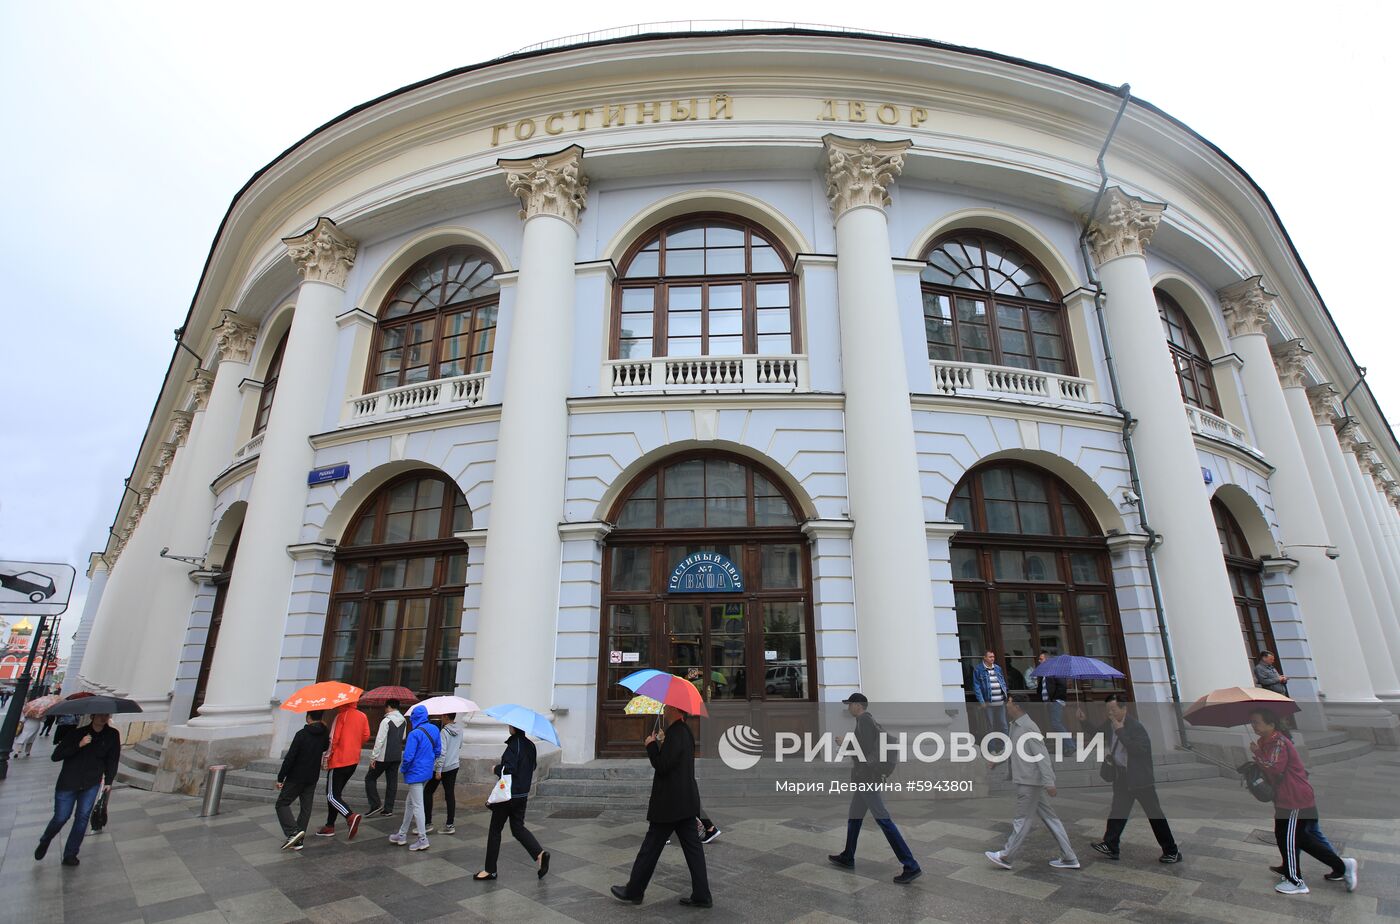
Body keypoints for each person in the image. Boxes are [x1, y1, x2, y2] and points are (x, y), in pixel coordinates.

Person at [611, 705, 713, 907]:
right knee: (693, 851)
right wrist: (662, 742)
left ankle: (634, 891)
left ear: (677, 710)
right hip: (685, 801)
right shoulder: (682, 732)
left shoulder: (676, 733)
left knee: (650, 848)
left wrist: (650, 745)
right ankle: (702, 895)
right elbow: (674, 760)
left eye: (667, 708)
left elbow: (663, 765)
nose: (664, 711)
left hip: (670, 804)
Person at [1249, 708, 1357, 895]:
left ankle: (1296, 881)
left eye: (1257, 722)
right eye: (1252, 722)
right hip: (1285, 798)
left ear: (1271, 724)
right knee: (1297, 838)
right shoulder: (1265, 741)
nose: (1253, 726)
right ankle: (1341, 865)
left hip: (1295, 799)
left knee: (1290, 839)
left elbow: (1274, 768)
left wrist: (1257, 754)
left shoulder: (1278, 742)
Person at [827, 692, 922, 884]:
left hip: (868, 779)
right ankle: (848, 855)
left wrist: (844, 744)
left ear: (858, 705)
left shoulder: (865, 721)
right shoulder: (865, 721)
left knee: (884, 821)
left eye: (850, 704)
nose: (848, 708)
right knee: (854, 817)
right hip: (864, 778)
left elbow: (865, 752)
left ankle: (911, 865)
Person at [984, 696, 1079, 871]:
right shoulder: (1016, 725)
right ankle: (1069, 857)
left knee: (1022, 821)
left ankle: (1006, 856)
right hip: (1028, 780)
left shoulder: (1029, 727)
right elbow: (1010, 747)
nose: (1007, 705)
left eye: (1010, 702)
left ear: (1017, 706)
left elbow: (1041, 757)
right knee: (1051, 820)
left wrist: (1049, 781)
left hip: (1029, 781)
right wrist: (996, 760)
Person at [1090, 694, 1180, 863]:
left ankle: (1171, 850)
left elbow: (1139, 749)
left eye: (1113, 710)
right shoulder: (1110, 725)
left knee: (1154, 815)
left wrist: (1120, 731)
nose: (1110, 714)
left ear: (1124, 708)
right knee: (1118, 811)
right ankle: (1111, 845)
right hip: (1122, 777)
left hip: (1140, 779)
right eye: (1108, 710)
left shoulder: (1135, 727)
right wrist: (1082, 720)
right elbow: (1095, 734)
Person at [34, 711, 120, 866]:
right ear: (92, 716)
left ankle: (70, 854)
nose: (103, 717)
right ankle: (45, 839)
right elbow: (56, 756)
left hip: (91, 782)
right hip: (69, 782)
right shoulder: (76, 734)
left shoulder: (112, 735)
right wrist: (79, 745)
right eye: (100, 714)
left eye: (106, 715)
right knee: (61, 817)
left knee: (82, 818)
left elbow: (113, 759)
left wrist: (108, 781)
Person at [474, 724, 549, 881]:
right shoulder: (530, 745)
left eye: (510, 725)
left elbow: (508, 769)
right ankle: (539, 853)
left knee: (495, 830)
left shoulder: (514, 745)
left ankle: (490, 870)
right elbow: (532, 766)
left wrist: (496, 768)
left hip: (507, 795)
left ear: (514, 728)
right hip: (522, 794)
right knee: (517, 828)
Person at [389, 704, 440, 851]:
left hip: (415, 773)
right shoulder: (434, 729)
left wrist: (404, 769)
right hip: (426, 772)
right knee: (410, 804)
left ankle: (423, 839)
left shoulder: (414, 734)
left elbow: (408, 756)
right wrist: (429, 761)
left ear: (414, 718)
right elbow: (438, 750)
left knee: (417, 806)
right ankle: (402, 834)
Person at [275, 710, 330, 850]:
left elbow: (290, 757)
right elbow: (325, 747)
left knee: (282, 803)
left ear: (308, 717)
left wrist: (281, 777)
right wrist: (324, 727)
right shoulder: (324, 734)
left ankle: (293, 832)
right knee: (306, 807)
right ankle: (299, 840)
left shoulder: (302, 734)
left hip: (296, 776)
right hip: (312, 776)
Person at [316, 702, 368, 840]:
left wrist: (326, 758)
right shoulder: (362, 716)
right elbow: (366, 736)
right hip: (353, 760)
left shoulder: (341, 716)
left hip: (339, 760)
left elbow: (333, 739)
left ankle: (350, 816)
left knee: (331, 796)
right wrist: (353, 744)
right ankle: (329, 825)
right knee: (335, 794)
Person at [684, 668, 721, 844]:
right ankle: (709, 827)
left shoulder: (679, 731)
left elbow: (664, 761)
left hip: (678, 777)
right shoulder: (679, 729)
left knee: (680, 802)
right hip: (681, 778)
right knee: (685, 801)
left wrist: (653, 746)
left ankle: (708, 827)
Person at [364, 700, 406, 817]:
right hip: (396, 755)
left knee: (370, 778)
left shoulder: (386, 721)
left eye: (385, 707)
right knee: (392, 782)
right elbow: (403, 737)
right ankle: (388, 809)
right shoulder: (403, 721)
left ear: (389, 707)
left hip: (383, 756)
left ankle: (375, 804)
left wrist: (373, 757)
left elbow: (380, 740)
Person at [425, 712, 461, 835]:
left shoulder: (444, 732)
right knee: (450, 794)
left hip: (443, 767)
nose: (441, 718)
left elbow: (442, 752)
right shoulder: (460, 730)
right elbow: (459, 746)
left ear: (446, 717)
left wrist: (438, 770)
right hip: (454, 765)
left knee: (428, 791)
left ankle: (427, 823)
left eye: (442, 716)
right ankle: (450, 824)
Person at [972, 650, 1010, 746]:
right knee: (990, 726)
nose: (992, 658)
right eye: (990, 657)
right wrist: (982, 701)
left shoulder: (997, 668)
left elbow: (1002, 682)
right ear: (984, 658)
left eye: (993, 656)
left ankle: (1006, 747)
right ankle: (992, 748)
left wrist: (1006, 694)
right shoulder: (978, 669)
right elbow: (976, 687)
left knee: (1004, 725)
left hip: (1000, 702)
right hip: (988, 703)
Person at [1033, 650, 1069, 734]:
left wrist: (1054, 700)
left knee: (1056, 723)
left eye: (1041, 659)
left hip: (1055, 702)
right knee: (1054, 724)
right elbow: (1042, 687)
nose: (1039, 661)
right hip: (1049, 703)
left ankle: (1070, 745)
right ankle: (1064, 745)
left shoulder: (1055, 670)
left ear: (1047, 660)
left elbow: (1062, 686)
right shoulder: (1044, 672)